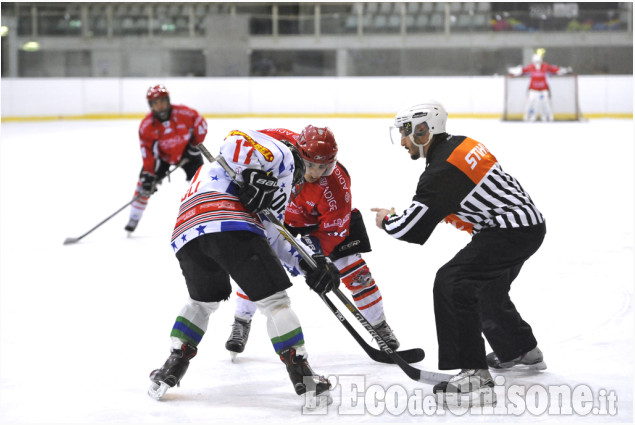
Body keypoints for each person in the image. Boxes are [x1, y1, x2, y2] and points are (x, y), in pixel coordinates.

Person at [371, 101, 546, 406]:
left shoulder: (441, 171)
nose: (401, 141)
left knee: (453, 282)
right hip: (528, 224)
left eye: (406, 133)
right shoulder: (462, 144)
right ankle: (520, 349)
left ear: (424, 131)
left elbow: (410, 229)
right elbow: (465, 194)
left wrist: (387, 220)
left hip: (509, 232)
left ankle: (475, 374)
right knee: (486, 287)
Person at [148, 129, 340, 401]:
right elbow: (234, 138)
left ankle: (173, 364)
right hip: (230, 225)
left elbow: (272, 238)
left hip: (188, 234)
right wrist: (253, 174)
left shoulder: (217, 173)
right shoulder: (282, 154)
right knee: (275, 304)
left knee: (201, 303)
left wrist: (310, 265)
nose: (298, 181)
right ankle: (302, 374)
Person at [225, 125, 401, 358]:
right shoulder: (280, 141)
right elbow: (242, 138)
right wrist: (248, 172)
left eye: (322, 166)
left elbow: (334, 231)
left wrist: (315, 257)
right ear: (298, 153)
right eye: (309, 164)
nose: (315, 172)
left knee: (354, 270)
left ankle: (379, 327)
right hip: (280, 216)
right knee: (258, 265)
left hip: (322, 228)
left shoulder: (336, 185)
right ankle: (241, 320)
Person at [125, 84, 208, 233]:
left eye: (162, 101)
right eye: (155, 103)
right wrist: (150, 174)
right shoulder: (146, 126)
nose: (160, 106)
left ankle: (204, 213)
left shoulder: (185, 113)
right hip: (162, 158)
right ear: (151, 105)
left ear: (168, 100)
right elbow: (148, 152)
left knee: (200, 184)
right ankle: (134, 217)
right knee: (144, 184)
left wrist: (194, 145)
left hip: (187, 152)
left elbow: (200, 123)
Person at [508, 53, 572, 122]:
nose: (537, 64)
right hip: (533, 89)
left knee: (546, 103)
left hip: (543, 89)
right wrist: (513, 71)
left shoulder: (545, 66)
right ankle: (528, 116)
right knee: (530, 103)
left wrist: (565, 71)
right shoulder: (530, 67)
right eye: (536, 62)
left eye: (539, 62)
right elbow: (522, 70)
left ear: (541, 61)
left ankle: (548, 117)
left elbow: (555, 69)